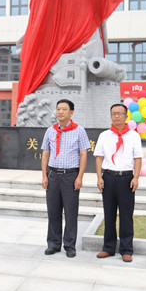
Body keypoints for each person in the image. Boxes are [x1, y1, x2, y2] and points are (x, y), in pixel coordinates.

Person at [41, 99, 91, 258]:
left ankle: (69, 245)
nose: (60, 112)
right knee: (53, 212)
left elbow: (83, 154)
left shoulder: (79, 131)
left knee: (70, 213)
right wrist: (44, 175)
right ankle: (53, 244)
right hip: (53, 176)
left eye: (64, 109)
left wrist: (80, 176)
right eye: (58, 109)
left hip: (70, 176)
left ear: (71, 112)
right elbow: (45, 153)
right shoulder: (50, 131)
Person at [94, 103, 143, 263]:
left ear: (126, 116)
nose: (116, 116)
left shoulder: (134, 136)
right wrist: (99, 177)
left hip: (126, 179)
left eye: (120, 113)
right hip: (108, 177)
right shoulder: (104, 136)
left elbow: (137, 158)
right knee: (108, 214)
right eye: (113, 114)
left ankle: (126, 249)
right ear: (110, 116)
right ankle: (108, 247)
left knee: (126, 215)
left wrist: (135, 177)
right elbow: (99, 156)